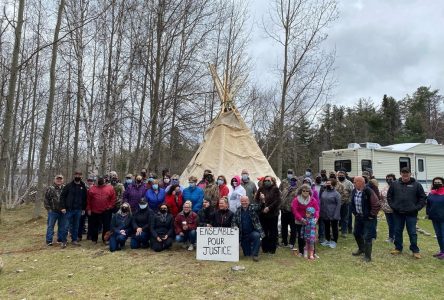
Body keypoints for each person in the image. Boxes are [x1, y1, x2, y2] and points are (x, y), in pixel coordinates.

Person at [387, 167, 426, 259]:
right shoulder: (394, 184)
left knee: (412, 232)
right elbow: (389, 196)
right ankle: (398, 248)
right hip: (398, 213)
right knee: (397, 231)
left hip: (411, 214)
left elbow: (422, 198)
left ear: (410, 174)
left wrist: (416, 208)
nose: (405, 175)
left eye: (407, 173)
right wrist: (393, 206)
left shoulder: (417, 185)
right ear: (400, 174)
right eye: (403, 173)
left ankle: (415, 250)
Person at [350, 176, 380, 262]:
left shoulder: (368, 191)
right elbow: (352, 203)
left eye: (355, 182)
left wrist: (371, 215)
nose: (354, 183)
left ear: (361, 182)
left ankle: (367, 256)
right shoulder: (354, 191)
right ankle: (361, 249)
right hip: (358, 217)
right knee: (356, 233)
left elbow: (377, 204)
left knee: (368, 237)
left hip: (368, 218)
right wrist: (355, 213)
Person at [231, 195, 264, 262]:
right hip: (243, 235)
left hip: (252, 232)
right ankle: (250, 249)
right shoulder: (238, 211)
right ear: (240, 202)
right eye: (242, 201)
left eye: (245, 201)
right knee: (247, 254)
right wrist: (234, 226)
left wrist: (262, 200)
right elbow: (233, 221)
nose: (244, 202)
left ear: (248, 201)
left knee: (257, 235)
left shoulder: (253, 207)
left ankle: (255, 255)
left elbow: (260, 207)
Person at [60, 170, 88, 248]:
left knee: (76, 226)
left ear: (81, 176)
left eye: (79, 175)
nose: (78, 176)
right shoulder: (68, 186)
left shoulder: (83, 186)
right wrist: (62, 207)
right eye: (76, 175)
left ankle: (74, 240)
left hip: (78, 210)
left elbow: (85, 198)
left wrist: (83, 209)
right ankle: (63, 241)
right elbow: (62, 196)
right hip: (68, 210)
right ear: (74, 176)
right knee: (66, 226)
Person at [255, 175, 281, 254]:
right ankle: (265, 248)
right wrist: (261, 200)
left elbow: (277, 201)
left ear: (272, 181)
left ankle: (272, 249)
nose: (266, 182)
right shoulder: (261, 189)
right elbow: (256, 199)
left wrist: (269, 208)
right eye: (265, 180)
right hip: (263, 214)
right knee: (264, 231)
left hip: (273, 214)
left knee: (273, 231)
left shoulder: (275, 189)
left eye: (268, 180)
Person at [86, 175, 116, 244]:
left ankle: (105, 239)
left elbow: (113, 198)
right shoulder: (92, 188)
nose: (100, 181)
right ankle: (94, 239)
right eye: (99, 180)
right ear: (96, 181)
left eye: (102, 180)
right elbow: (88, 200)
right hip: (94, 211)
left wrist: (110, 206)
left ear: (105, 181)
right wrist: (89, 209)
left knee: (106, 226)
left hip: (106, 211)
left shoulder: (110, 188)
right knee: (94, 226)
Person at [291, 184, 319, 255]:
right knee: (301, 236)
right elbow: (294, 210)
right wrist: (301, 219)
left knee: (311, 236)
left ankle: (313, 252)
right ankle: (301, 251)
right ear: (301, 191)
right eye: (304, 190)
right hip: (300, 220)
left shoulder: (313, 200)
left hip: (310, 221)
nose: (305, 192)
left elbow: (317, 210)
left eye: (307, 191)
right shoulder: (296, 200)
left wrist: (316, 218)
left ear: (309, 192)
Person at [44, 175, 67, 246]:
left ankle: (60, 239)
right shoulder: (50, 188)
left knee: (62, 226)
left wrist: (66, 208)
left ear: (62, 180)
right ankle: (49, 241)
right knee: (50, 226)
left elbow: (68, 199)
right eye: (57, 179)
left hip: (63, 211)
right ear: (55, 180)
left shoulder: (65, 188)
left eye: (60, 179)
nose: (59, 180)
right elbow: (46, 200)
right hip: (53, 211)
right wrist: (49, 209)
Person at [319, 179, 341, 248]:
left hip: (333, 214)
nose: (328, 185)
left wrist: (336, 215)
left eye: (329, 184)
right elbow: (321, 202)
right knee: (326, 227)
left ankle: (334, 241)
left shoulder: (336, 194)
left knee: (334, 228)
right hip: (325, 213)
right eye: (327, 183)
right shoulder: (324, 192)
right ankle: (328, 239)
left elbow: (338, 205)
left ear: (333, 185)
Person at [426, 177, 444, 259]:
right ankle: (441, 251)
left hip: (443, 218)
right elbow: (428, 204)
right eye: (435, 182)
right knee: (438, 235)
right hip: (434, 217)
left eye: (439, 182)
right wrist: (428, 213)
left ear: (442, 183)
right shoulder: (431, 193)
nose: (437, 183)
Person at [279, 175, 298, 248]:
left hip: (292, 212)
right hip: (284, 211)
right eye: (292, 180)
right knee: (284, 227)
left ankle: (292, 242)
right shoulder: (286, 189)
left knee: (293, 228)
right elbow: (282, 197)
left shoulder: (298, 190)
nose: (292, 181)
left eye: (294, 180)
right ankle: (284, 241)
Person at [380, 173, 397, 243]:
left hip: (394, 210)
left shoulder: (396, 187)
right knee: (390, 224)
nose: (388, 180)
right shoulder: (385, 187)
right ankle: (391, 237)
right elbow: (381, 197)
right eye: (387, 179)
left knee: (395, 224)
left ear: (394, 180)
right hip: (386, 210)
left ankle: (395, 237)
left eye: (390, 179)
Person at [337, 170, 354, 238]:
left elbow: (352, 192)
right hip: (337, 204)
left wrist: (349, 200)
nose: (341, 177)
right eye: (339, 176)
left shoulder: (349, 183)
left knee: (345, 218)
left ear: (345, 176)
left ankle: (344, 232)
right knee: (337, 218)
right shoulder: (336, 182)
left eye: (342, 176)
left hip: (346, 203)